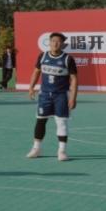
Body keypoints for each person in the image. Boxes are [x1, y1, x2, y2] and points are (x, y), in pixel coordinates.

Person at [26, 32, 79, 162]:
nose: (55, 43)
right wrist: (31, 87)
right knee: (40, 120)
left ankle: (62, 151)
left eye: (59, 41)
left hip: (61, 95)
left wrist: (73, 97)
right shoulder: (43, 56)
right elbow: (36, 72)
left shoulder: (68, 59)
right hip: (44, 95)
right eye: (53, 41)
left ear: (63, 44)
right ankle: (36, 148)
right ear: (49, 42)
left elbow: (74, 79)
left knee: (61, 122)